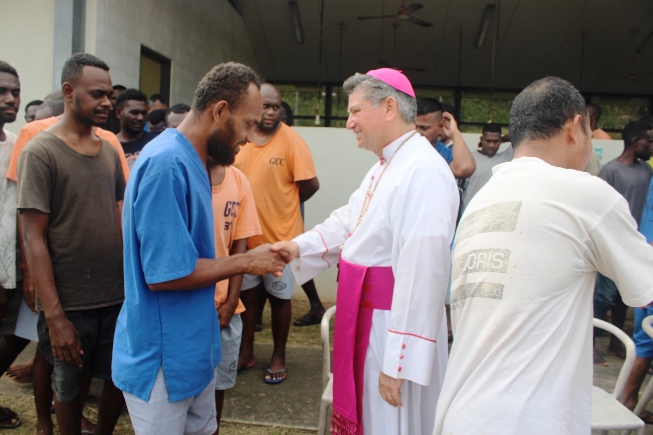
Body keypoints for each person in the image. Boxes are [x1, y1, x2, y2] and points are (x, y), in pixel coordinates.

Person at [433, 77, 653, 434]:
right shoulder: (582, 193)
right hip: (528, 421)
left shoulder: (483, 201)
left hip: (461, 414)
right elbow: (646, 284)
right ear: (576, 125)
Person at [273, 68, 457, 434]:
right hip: (369, 321)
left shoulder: (423, 171)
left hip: (393, 327)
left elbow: (423, 272)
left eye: (356, 111)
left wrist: (398, 363)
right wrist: (296, 247)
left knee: (389, 422)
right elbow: (349, 221)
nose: (349, 123)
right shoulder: (387, 165)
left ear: (389, 107)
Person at [111, 62, 286, 435]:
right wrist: (246, 262)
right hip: (162, 355)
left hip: (193, 346)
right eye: (248, 124)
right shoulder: (166, 164)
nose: (251, 138)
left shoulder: (196, 161)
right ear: (219, 111)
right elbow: (166, 275)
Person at [5, 86, 129, 435]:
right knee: (68, 382)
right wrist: (54, 314)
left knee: (112, 376)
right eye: (97, 93)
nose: (107, 102)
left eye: (109, 94)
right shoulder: (40, 150)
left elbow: (119, 215)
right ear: (70, 92)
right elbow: (33, 235)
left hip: (113, 295)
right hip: (69, 300)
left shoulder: (108, 149)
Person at [234, 83, 320, 383]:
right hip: (245, 240)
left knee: (280, 300)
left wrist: (283, 206)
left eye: (276, 107)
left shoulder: (292, 142)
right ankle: (245, 353)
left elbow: (310, 185)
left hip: (280, 241)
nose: (271, 112)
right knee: (247, 300)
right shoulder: (242, 138)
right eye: (265, 106)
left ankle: (278, 356)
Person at [208, 157, 262, 434]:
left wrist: (231, 301)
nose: (244, 141)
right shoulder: (188, 175)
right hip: (187, 305)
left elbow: (239, 248)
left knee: (219, 386)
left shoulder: (238, 179)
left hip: (223, 309)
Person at [593, 120, 653, 365]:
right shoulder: (611, 170)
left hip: (634, 245)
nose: (651, 146)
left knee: (624, 298)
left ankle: (616, 344)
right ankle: (590, 344)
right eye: (648, 141)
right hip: (613, 245)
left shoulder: (646, 171)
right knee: (604, 297)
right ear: (634, 142)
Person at [0, 60, 28, 430]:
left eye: (15, 91)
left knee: (19, 332)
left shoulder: (18, 142)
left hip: (16, 264)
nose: (10, 98)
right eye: (2, 91)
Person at [415, 97, 475, 178]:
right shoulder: (400, 147)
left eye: (424, 128)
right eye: (414, 127)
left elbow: (464, 168)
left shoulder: (443, 154)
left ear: (441, 126)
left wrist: (455, 133)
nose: (417, 132)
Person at [460, 123, 513, 213]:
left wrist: (502, 139)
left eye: (495, 141)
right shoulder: (470, 158)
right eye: (488, 141)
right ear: (481, 139)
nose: (492, 145)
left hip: (492, 216)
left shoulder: (504, 158)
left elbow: (520, 136)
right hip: (468, 214)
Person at [116, 88, 156, 167]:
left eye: (144, 113)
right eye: (134, 113)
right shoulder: (109, 145)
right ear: (119, 113)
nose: (140, 118)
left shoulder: (155, 143)